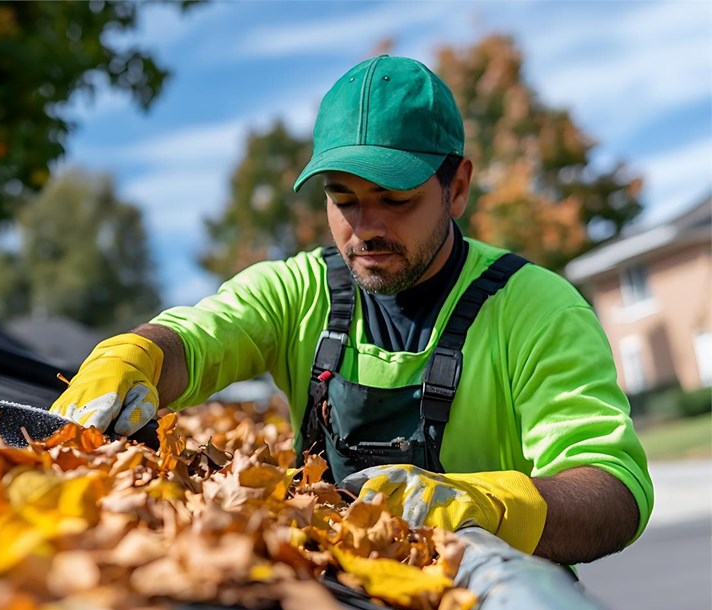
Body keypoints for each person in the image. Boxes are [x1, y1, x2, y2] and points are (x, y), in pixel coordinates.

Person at [51, 55, 653, 565]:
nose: (365, 228)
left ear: (459, 187)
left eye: (396, 199)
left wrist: (488, 507)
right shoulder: (301, 291)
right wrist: (140, 353)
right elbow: (204, 335)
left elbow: (614, 489)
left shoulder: (537, 309)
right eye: (343, 200)